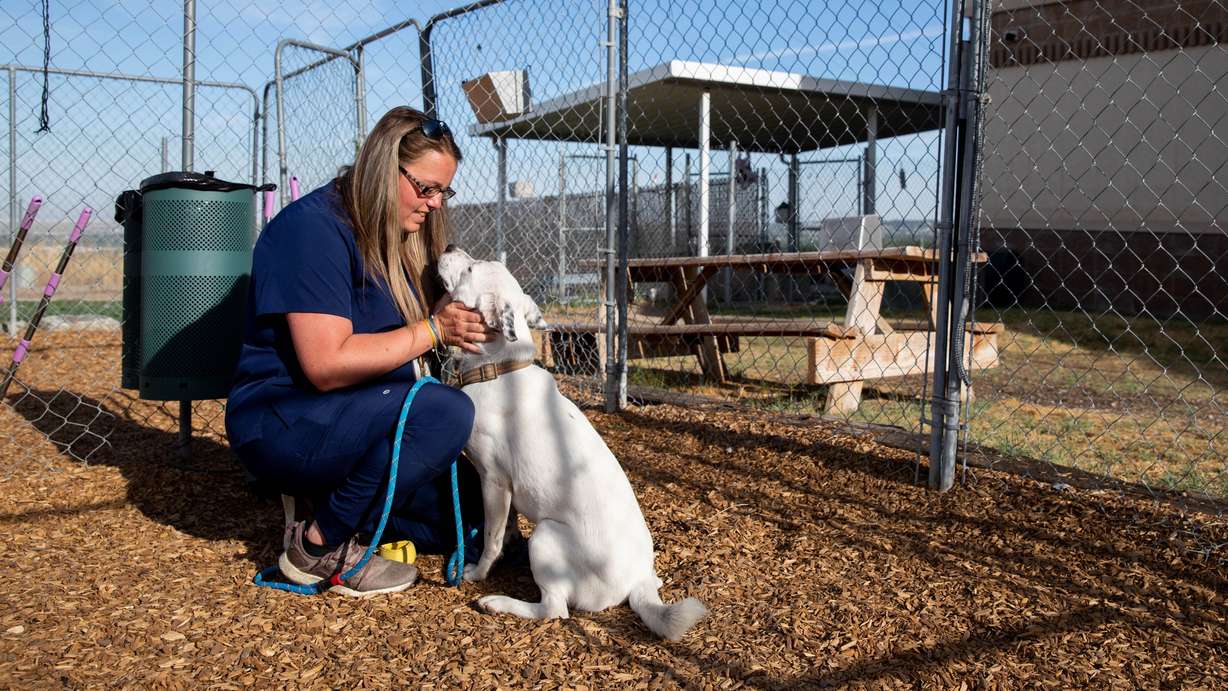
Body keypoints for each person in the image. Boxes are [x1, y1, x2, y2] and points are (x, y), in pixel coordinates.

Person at [225, 106, 494, 596]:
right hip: (284, 417)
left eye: (444, 191)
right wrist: (434, 329)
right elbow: (326, 365)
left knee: (471, 514)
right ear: (383, 167)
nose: (435, 203)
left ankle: (339, 504)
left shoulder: (398, 231)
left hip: (361, 415)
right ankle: (318, 545)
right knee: (443, 413)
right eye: (425, 188)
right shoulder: (312, 230)